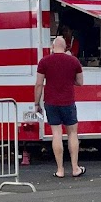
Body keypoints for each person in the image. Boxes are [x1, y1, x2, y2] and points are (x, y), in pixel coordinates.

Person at [35, 35, 85, 178]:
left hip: (51, 102)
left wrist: (36, 103)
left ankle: (60, 170)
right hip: (68, 102)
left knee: (56, 134)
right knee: (72, 134)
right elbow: (80, 82)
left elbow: (39, 84)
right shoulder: (74, 61)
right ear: (65, 47)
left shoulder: (44, 61)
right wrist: (69, 80)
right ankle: (75, 168)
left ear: (52, 46)